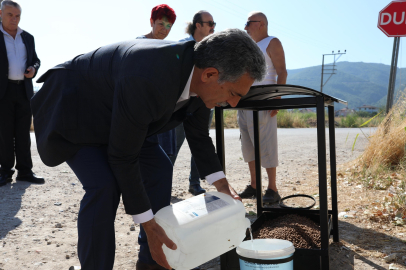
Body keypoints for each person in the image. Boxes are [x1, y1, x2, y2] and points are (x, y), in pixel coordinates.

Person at [31, 29, 266, 270]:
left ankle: (151, 262)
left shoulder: (202, 77)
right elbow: (123, 156)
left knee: (159, 168)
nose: (234, 103)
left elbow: (198, 134)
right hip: (78, 111)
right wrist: (148, 223)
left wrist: (222, 184)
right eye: (233, 94)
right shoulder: (149, 76)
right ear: (210, 74)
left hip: (124, 115)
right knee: (104, 185)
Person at [238, 11, 287, 204]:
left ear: (261, 24)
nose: (245, 27)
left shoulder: (272, 42)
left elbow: (282, 71)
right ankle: (254, 185)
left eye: (248, 23)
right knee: (248, 145)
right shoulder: (249, 46)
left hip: (264, 100)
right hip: (245, 101)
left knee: (266, 144)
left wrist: (277, 99)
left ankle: (272, 188)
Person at [170, 10, 216, 196]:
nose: (213, 27)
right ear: (198, 25)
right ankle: (161, 183)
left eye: (214, 23)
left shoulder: (212, 50)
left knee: (199, 144)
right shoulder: (182, 47)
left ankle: (195, 184)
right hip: (181, 105)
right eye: (210, 23)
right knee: (173, 146)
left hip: (203, 105)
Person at [0, 0, 43, 187]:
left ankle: (25, 172)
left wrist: (33, 69)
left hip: (24, 90)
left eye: (17, 16)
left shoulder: (28, 37)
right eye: (10, 15)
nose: (14, 19)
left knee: (23, 134)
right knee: (5, 134)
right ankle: (5, 173)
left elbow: (36, 60)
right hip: (3, 91)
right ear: (0, 13)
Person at [137, 4, 178, 159]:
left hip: (164, 115)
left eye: (169, 26)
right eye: (161, 24)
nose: (165, 29)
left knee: (165, 161)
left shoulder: (169, 49)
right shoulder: (139, 45)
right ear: (151, 22)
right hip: (144, 116)